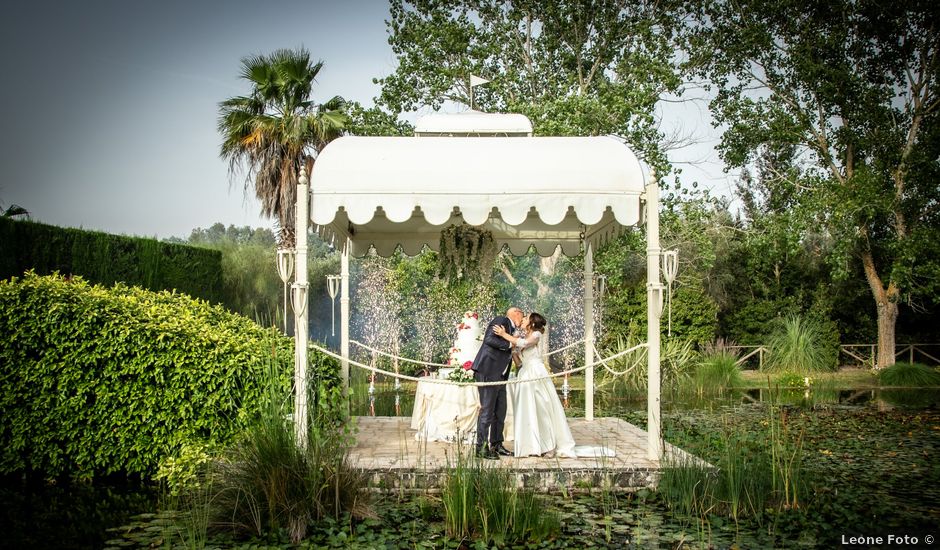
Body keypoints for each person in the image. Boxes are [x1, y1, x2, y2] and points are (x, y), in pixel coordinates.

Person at [493, 312, 578, 458]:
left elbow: (524, 344)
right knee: (528, 410)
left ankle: (549, 445)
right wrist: (513, 353)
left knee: (542, 408)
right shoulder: (523, 337)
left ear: (531, 323)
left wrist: (503, 334)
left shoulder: (536, 334)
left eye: (526, 318)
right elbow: (520, 363)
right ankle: (532, 446)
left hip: (536, 374)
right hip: (525, 374)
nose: (523, 319)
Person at [471, 306, 524, 459]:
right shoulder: (502, 320)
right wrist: (509, 344)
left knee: (500, 411)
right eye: (522, 315)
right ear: (516, 313)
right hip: (488, 370)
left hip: (500, 375)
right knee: (487, 411)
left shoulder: (511, 329)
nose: (522, 319)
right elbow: (489, 339)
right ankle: (481, 449)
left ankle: (497, 445)